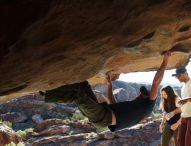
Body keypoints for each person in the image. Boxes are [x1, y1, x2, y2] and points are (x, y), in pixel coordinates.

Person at [39, 51, 171, 132]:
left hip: (103, 117)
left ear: (147, 98)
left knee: (78, 95)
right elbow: (113, 102)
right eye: (140, 93)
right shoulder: (135, 106)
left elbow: (156, 82)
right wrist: (109, 84)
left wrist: (165, 61)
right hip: (104, 113)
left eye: (142, 94)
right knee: (83, 85)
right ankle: (53, 89)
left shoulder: (148, 106)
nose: (139, 95)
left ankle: (45, 94)